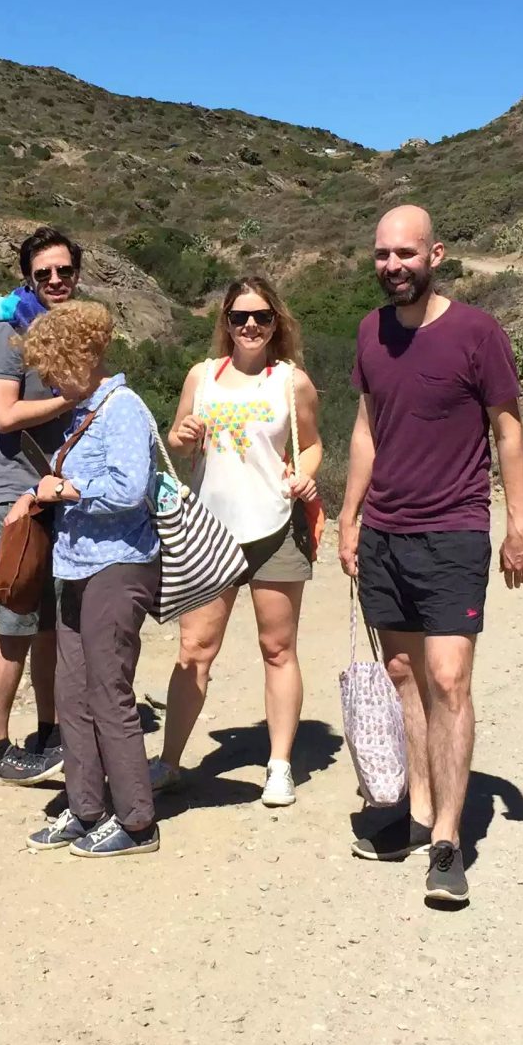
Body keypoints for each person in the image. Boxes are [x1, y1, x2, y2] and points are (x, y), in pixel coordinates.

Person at [339, 205, 523, 907]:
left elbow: (507, 433)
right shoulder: (370, 331)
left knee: (448, 678)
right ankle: (418, 814)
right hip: (386, 529)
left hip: (453, 529)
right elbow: (367, 427)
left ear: (436, 254)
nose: (393, 266)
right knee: (403, 675)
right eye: (382, 254)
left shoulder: (477, 333)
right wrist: (350, 514)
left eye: (406, 254)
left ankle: (449, 838)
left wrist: (518, 524)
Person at [151, 276, 322, 807]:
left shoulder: (291, 382)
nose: (250, 325)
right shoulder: (201, 376)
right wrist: (181, 437)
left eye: (262, 317)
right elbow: (179, 442)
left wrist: (305, 476)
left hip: (274, 528)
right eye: (240, 316)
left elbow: (312, 445)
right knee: (195, 649)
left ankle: (278, 765)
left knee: (277, 648)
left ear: (276, 323)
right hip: (208, 530)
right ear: (225, 322)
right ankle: (170, 761)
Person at [17, 301, 165, 858]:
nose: (48, 379)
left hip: (117, 563)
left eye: (52, 366)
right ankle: (86, 809)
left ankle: (136, 820)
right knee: (72, 691)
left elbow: (129, 489)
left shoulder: (121, 408)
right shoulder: (88, 413)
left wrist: (68, 491)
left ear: (82, 356)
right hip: (78, 564)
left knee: (109, 692)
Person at [0, 228, 84, 785]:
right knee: (16, 628)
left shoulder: (66, 334)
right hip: (11, 500)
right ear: (29, 278)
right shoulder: (7, 334)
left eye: (64, 271)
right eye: (44, 273)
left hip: (54, 497)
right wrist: (77, 397)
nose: (56, 280)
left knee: (51, 628)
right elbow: (6, 415)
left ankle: (51, 731)